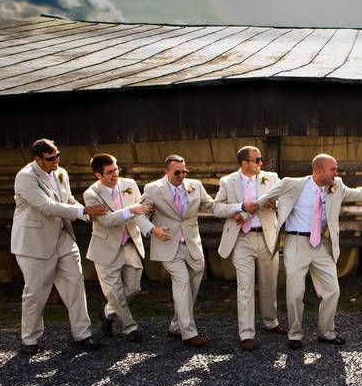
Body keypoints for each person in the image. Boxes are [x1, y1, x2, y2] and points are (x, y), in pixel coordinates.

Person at [247, 153, 362, 349]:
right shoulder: (292, 183)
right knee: (295, 293)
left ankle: (326, 332)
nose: (336, 173)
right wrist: (243, 212)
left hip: (322, 245)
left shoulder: (336, 185)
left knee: (332, 290)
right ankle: (295, 335)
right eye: (333, 169)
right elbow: (264, 199)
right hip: (296, 243)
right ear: (319, 170)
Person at [12, 138, 107, 355]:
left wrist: (89, 215)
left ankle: (82, 335)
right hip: (34, 242)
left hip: (64, 237)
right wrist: (84, 212)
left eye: (57, 155)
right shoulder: (25, 177)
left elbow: (68, 199)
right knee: (35, 292)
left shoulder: (61, 172)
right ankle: (30, 339)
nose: (56, 160)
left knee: (75, 284)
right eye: (51, 158)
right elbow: (47, 207)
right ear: (38, 159)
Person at [135, 155, 232, 348]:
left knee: (192, 286)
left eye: (184, 171)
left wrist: (233, 208)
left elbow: (211, 205)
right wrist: (153, 230)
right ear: (167, 172)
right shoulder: (153, 189)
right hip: (168, 244)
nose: (182, 175)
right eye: (177, 172)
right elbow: (140, 215)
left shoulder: (195, 185)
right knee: (182, 282)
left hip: (192, 243)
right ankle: (189, 333)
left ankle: (176, 325)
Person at [214, 146, 286, 351]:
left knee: (269, 282)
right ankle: (246, 333)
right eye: (257, 160)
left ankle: (270, 322)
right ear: (244, 163)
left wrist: (275, 205)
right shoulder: (228, 181)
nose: (261, 163)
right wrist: (240, 207)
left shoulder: (271, 178)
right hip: (242, 238)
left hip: (266, 237)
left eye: (261, 159)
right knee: (245, 286)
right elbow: (217, 208)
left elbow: (286, 200)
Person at [83, 153, 152, 343]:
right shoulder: (91, 194)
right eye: (110, 172)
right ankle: (130, 327)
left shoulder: (129, 184)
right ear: (98, 175)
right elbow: (106, 221)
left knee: (134, 288)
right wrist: (130, 210)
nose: (115, 174)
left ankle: (107, 313)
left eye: (116, 168)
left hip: (130, 244)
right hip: (105, 247)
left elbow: (141, 212)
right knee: (115, 292)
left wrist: (152, 230)